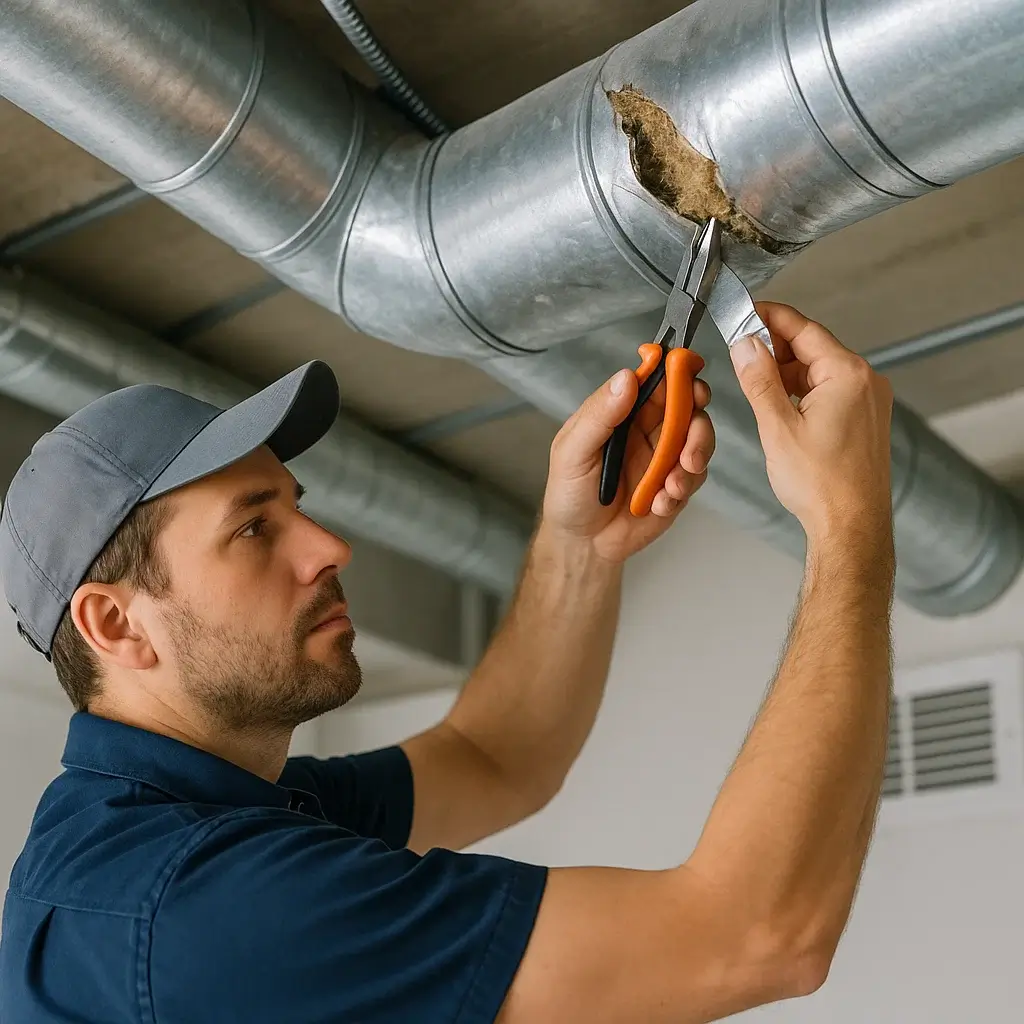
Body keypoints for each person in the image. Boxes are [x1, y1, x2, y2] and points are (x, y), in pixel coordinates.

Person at [0, 300, 894, 1024]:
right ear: (116, 625)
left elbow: (498, 756)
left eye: (294, 506)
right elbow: (757, 936)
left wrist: (578, 544)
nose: (328, 546)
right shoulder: (202, 903)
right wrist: (850, 528)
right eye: (254, 529)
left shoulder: (186, 818)